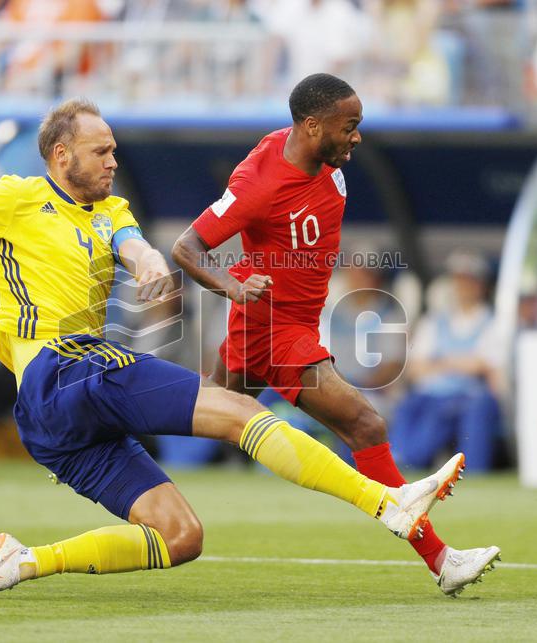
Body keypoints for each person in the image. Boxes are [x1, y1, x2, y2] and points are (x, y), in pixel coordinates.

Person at [0, 98, 467, 601]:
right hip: (60, 369)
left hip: (58, 414)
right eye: (100, 150)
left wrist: (150, 265)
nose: (112, 160)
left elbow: (134, 247)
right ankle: (388, 504)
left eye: (112, 150)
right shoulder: (13, 198)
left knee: (181, 537)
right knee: (237, 410)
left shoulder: (112, 210)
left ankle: (23, 561)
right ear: (60, 155)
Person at [171, 73, 499, 596]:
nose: (357, 137)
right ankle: (440, 558)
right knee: (365, 424)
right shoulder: (259, 181)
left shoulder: (315, 157)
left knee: (196, 412)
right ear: (311, 125)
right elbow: (186, 247)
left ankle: (96, 428)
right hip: (275, 330)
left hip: (277, 327)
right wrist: (233, 285)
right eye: (349, 126)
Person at [390, 249, 504, 472]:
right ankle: (398, 461)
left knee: (442, 415)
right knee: (406, 407)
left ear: (482, 285)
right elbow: (415, 368)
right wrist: (459, 364)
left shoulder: (492, 322)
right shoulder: (435, 321)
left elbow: (484, 365)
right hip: (430, 395)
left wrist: (439, 364)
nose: (463, 287)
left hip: (467, 395)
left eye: (470, 281)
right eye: (459, 281)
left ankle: (414, 462)